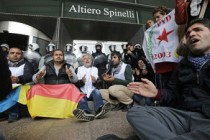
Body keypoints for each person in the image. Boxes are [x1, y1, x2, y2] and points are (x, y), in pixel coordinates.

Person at [98, 18, 210, 140]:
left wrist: (115, 80)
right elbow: (173, 94)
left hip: (206, 119)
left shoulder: (127, 67)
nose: (192, 34)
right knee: (136, 112)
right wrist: (157, 93)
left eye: (198, 30)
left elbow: (128, 82)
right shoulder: (182, 66)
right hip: (182, 115)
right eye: (188, 34)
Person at [30, 49, 83, 118]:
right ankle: (38, 113)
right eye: (56, 55)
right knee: (36, 87)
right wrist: (38, 76)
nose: (58, 56)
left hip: (64, 92)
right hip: (49, 91)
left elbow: (75, 80)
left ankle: (82, 112)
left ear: (63, 57)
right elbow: (34, 79)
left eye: (60, 55)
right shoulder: (46, 66)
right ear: (53, 56)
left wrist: (71, 75)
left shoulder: (68, 66)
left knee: (71, 87)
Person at [73, 53, 111, 122]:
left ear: (91, 60)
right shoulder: (78, 69)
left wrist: (95, 82)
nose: (87, 60)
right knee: (81, 99)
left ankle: (99, 110)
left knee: (97, 91)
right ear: (82, 61)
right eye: (85, 59)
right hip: (82, 92)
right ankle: (86, 113)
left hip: (92, 91)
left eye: (89, 58)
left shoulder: (95, 69)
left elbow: (99, 83)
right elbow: (75, 84)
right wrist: (81, 81)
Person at [152, 6, 178, 89]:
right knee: (165, 92)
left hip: (174, 63)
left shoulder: (174, 24)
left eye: (158, 17)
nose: (156, 20)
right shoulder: (153, 31)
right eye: (155, 18)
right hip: (161, 66)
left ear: (166, 15)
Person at [6, 47, 34, 123]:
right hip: (6, 85)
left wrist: (18, 79)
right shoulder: (3, 64)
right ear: (8, 54)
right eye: (12, 53)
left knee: (16, 90)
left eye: (18, 53)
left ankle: (14, 113)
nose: (15, 55)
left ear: (22, 55)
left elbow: (29, 75)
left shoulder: (27, 64)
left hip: (21, 86)